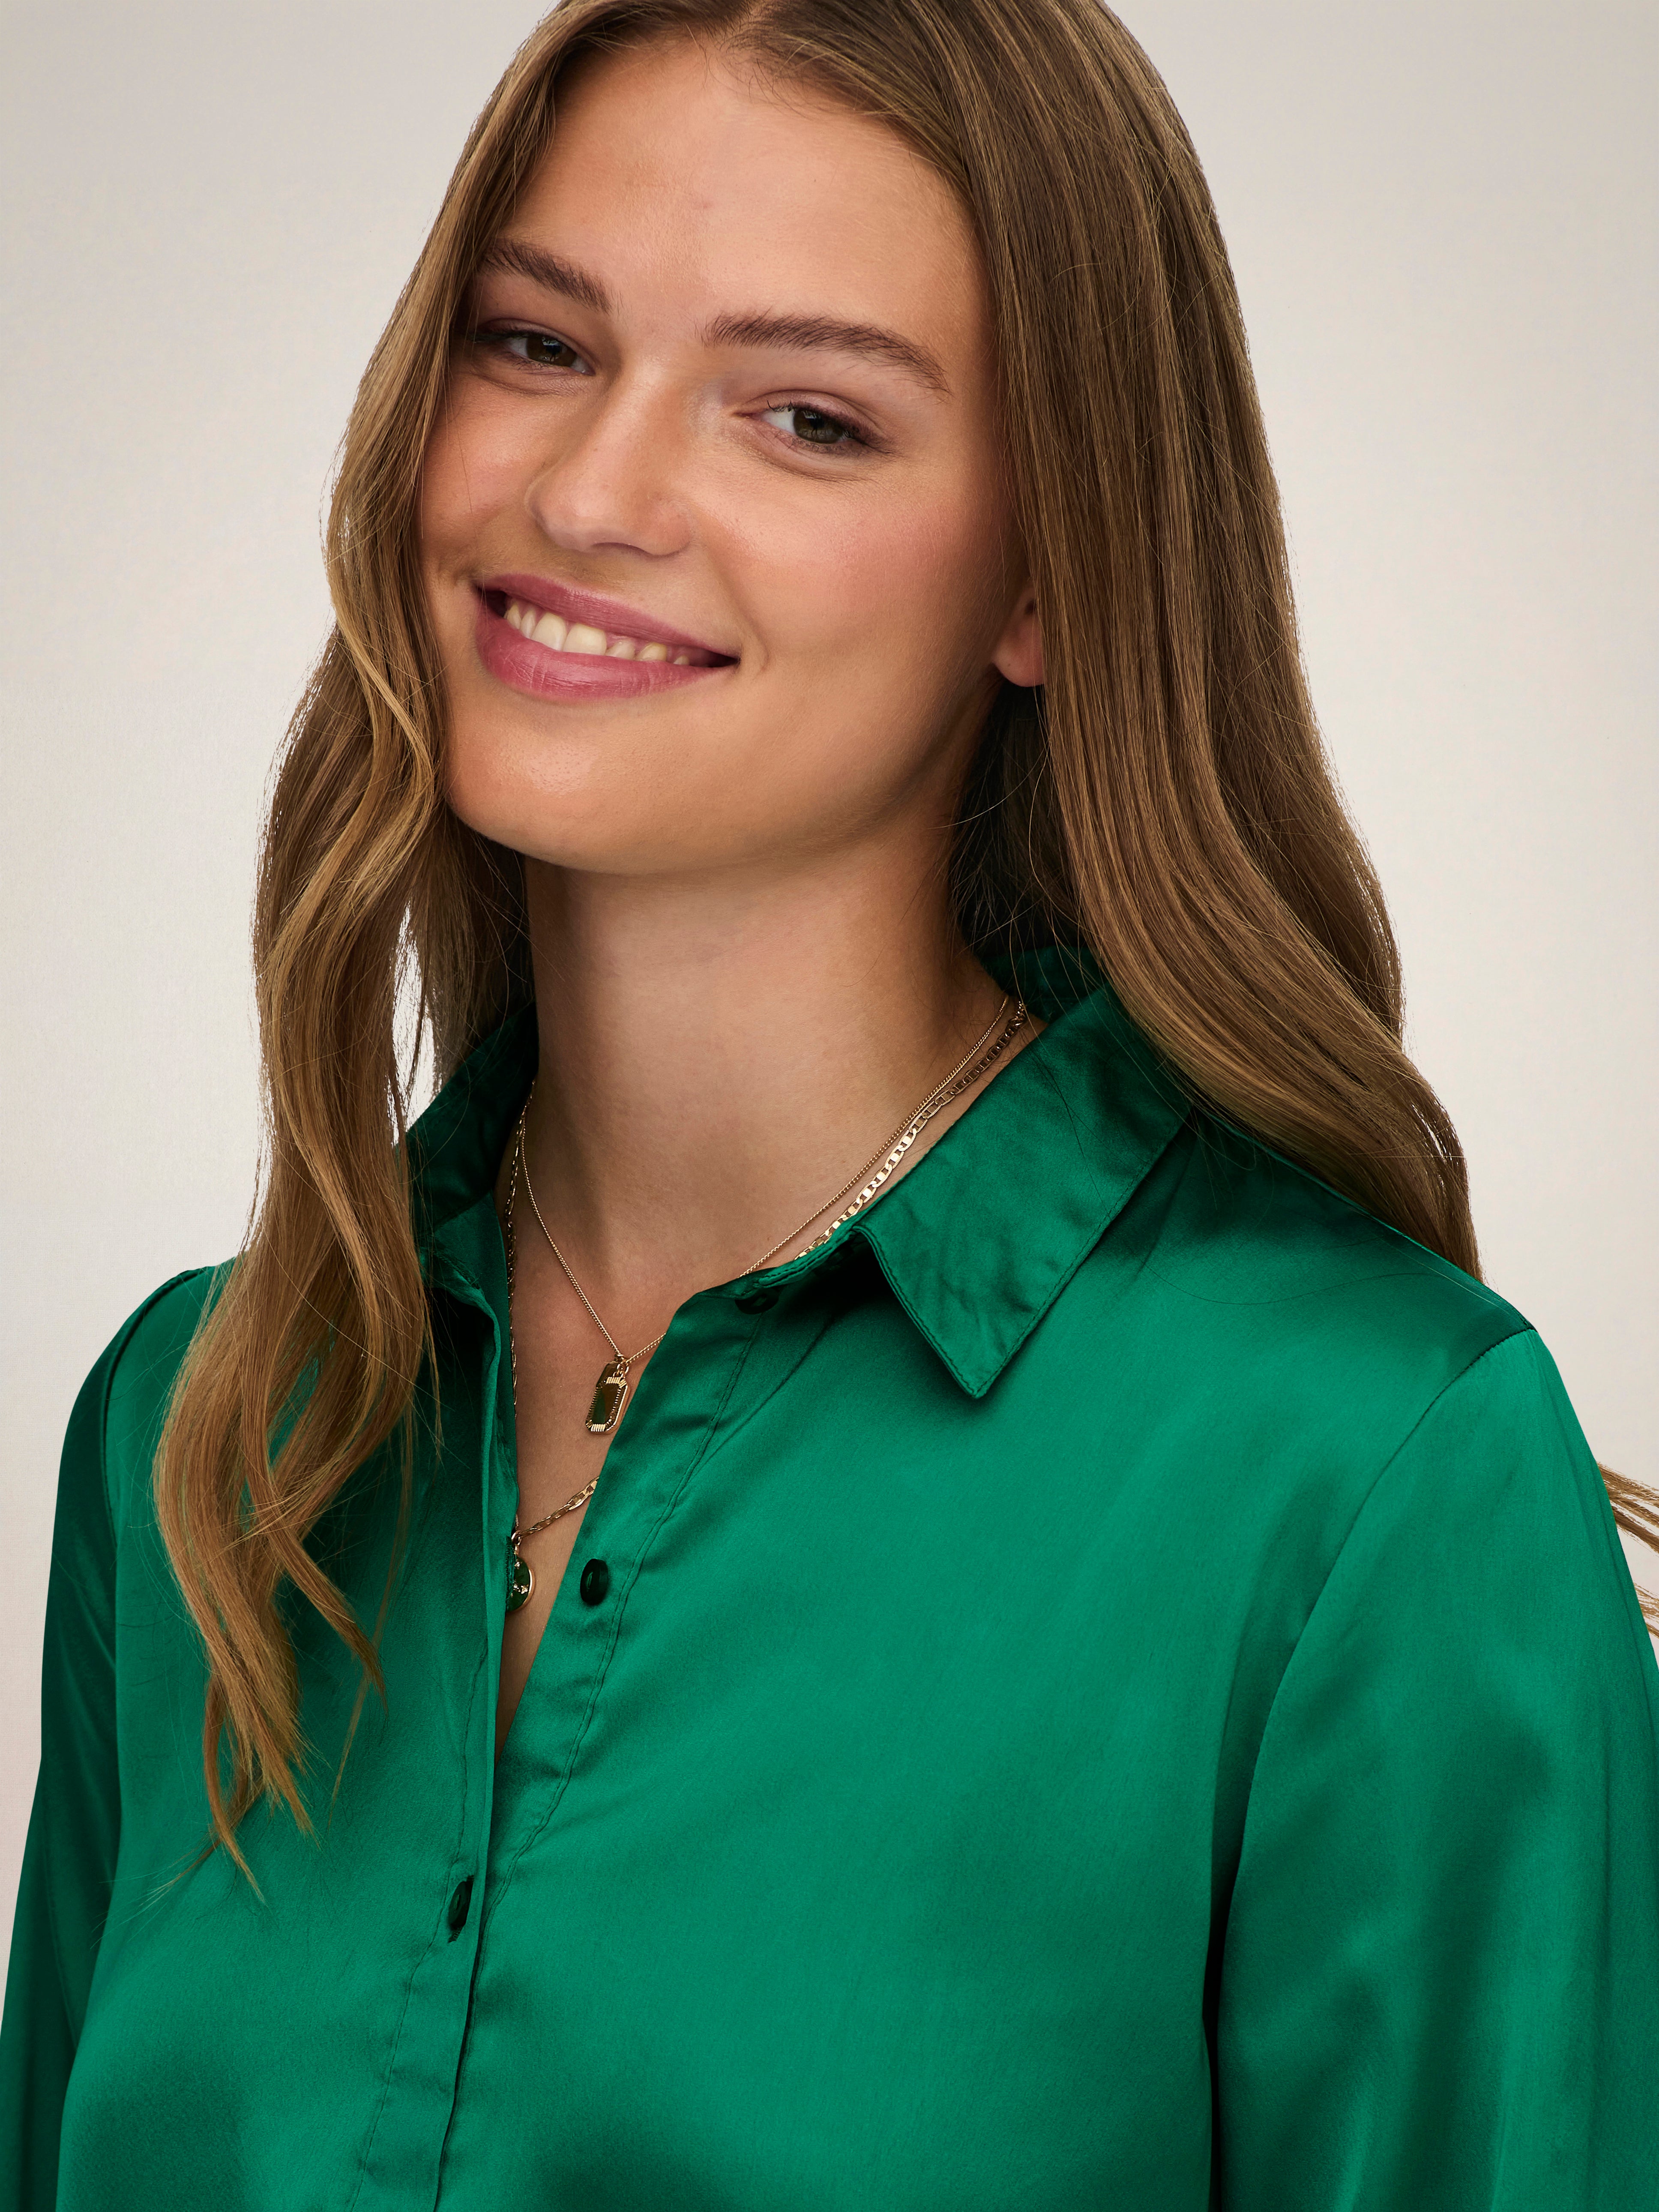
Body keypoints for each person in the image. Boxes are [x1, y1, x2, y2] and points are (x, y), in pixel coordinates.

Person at [4, 0, 1655, 2205]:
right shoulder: (201, 1426)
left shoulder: (1363, 1478)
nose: (589, 494)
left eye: (806, 416)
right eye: (535, 344)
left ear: (1047, 572)